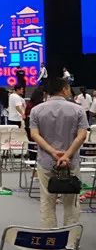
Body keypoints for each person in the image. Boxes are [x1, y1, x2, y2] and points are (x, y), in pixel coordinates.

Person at [30, 77, 88, 230]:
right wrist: (66, 155)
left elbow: (34, 135)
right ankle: (70, 237)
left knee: (47, 201)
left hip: (46, 161)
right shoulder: (78, 110)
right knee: (71, 202)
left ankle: (49, 235)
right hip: (70, 162)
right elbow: (82, 135)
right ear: (64, 89)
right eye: (68, 88)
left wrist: (53, 151)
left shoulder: (36, 110)